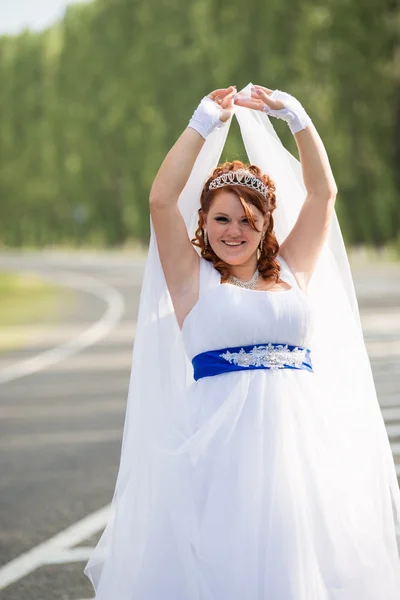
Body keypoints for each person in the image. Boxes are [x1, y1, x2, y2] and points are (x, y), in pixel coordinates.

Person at [84, 85, 400, 599]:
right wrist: (203, 121)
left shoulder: (294, 269)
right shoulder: (192, 279)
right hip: (218, 451)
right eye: (221, 219)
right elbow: (161, 199)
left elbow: (323, 194)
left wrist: (296, 117)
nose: (234, 231)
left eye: (248, 221)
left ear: (266, 224)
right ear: (203, 224)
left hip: (306, 448)